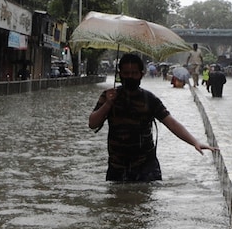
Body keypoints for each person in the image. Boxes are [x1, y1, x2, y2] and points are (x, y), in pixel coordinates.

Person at [88, 52, 217, 181]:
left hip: (146, 167)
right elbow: (93, 123)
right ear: (120, 74)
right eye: (126, 73)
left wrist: (195, 142)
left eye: (134, 73)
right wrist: (109, 103)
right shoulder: (108, 96)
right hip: (117, 166)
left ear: (141, 74)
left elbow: (171, 123)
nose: (130, 77)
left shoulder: (149, 99)